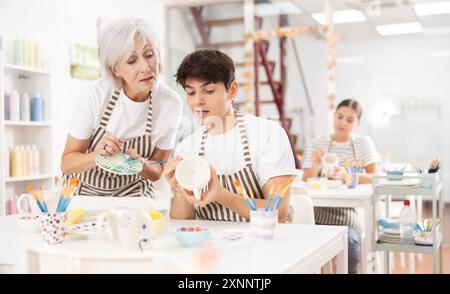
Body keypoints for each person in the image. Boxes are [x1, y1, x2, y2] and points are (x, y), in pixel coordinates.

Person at [164, 49, 295, 222]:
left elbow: (278, 213)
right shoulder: (187, 147)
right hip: (210, 247)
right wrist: (181, 190)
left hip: (264, 243)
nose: (197, 101)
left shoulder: (268, 135)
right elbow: (182, 221)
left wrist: (221, 195)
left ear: (232, 90)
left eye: (208, 91)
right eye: (190, 92)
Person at [60, 18, 182, 197]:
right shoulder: (95, 95)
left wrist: (139, 164)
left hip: (134, 195)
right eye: (132, 61)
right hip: (83, 193)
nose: (145, 67)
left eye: (149, 55)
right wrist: (97, 155)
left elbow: (157, 170)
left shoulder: (170, 103)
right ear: (116, 69)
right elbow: (67, 164)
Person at [302, 98, 380, 273]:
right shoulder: (317, 143)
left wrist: (349, 176)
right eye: (339, 116)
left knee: (351, 246)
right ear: (334, 116)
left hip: (348, 215)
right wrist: (315, 164)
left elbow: (376, 176)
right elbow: (306, 178)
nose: (342, 123)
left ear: (357, 123)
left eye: (350, 120)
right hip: (316, 214)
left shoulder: (363, 143)